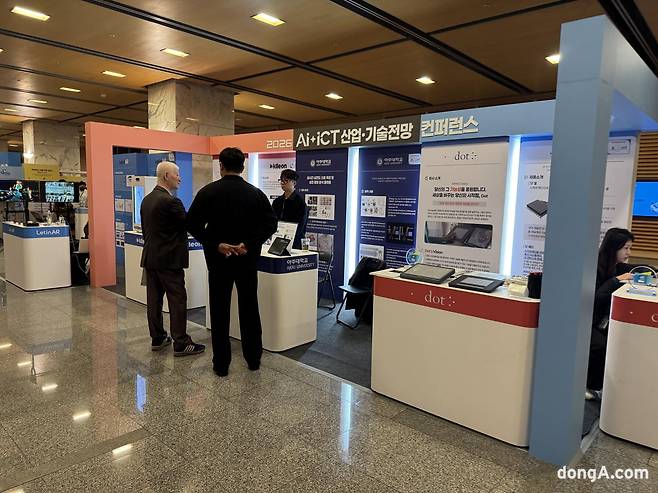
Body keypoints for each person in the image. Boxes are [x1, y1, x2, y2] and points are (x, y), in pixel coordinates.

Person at [187, 147, 277, 377]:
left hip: (219, 260)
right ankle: (253, 359)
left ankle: (221, 364)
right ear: (243, 167)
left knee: (219, 310)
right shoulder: (256, 194)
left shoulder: (208, 192)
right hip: (247, 260)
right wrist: (248, 244)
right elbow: (271, 224)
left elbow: (192, 224)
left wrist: (217, 244)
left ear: (221, 166)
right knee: (249, 307)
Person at [140, 161, 205, 357]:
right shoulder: (171, 202)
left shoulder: (147, 200)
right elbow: (189, 224)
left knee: (154, 300)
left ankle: (158, 337)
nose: (180, 178)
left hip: (151, 258)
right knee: (177, 300)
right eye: (177, 174)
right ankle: (181, 342)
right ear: (167, 175)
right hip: (169, 261)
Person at [587, 227, 635, 397]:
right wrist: (616, 281)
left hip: (599, 320)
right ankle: (589, 385)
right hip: (586, 320)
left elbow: (633, 268)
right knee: (601, 345)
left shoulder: (615, 266)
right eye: (626, 248)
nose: (628, 253)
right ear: (613, 247)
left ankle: (601, 385)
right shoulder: (594, 266)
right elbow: (595, 298)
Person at [271, 169, 307, 249]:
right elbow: (272, 220)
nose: (282, 183)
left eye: (286, 180)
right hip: (277, 240)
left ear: (294, 183)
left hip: (294, 243)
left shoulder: (300, 202)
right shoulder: (277, 201)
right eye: (281, 180)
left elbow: (301, 226)